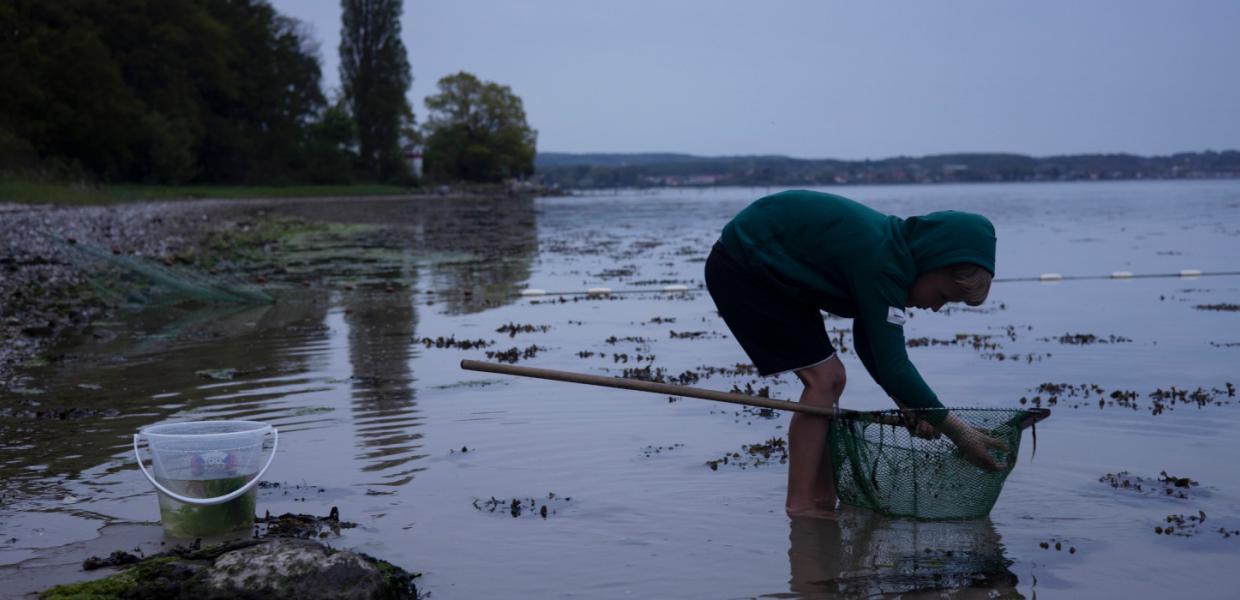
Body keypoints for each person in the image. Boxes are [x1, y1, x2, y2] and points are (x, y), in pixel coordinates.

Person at [705, 189, 1009, 518]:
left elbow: (870, 342)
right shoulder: (884, 265)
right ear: (931, 261)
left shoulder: (895, 255)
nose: (935, 307)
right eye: (942, 295)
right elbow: (895, 367)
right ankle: (802, 506)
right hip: (744, 266)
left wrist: (909, 404)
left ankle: (822, 502)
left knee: (831, 379)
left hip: (780, 272)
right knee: (825, 379)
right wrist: (958, 431)